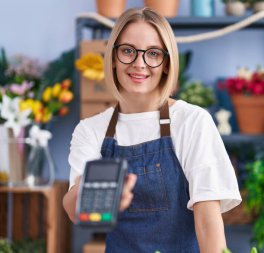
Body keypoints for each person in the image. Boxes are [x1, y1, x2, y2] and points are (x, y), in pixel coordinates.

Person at [63, 7, 241, 253]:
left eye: (153, 54)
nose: (139, 63)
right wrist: (91, 195)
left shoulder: (192, 121)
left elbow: (208, 220)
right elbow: (74, 211)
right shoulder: (91, 130)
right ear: (113, 58)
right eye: (128, 51)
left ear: (167, 63)